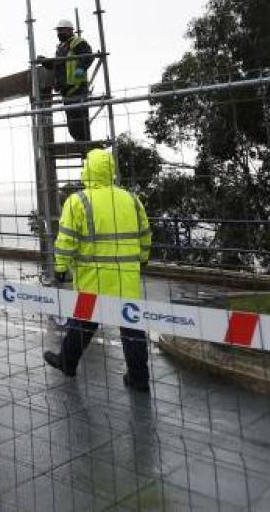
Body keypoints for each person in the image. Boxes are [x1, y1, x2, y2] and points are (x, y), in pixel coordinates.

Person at [44, 148, 153, 393]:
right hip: (126, 279)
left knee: (84, 322)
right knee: (132, 329)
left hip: (93, 278)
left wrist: (60, 268)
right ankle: (139, 378)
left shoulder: (78, 201)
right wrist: (143, 258)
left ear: (87, 169)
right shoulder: (130, 199)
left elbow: (66, 239)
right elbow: (145, 233)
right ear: (111, 170)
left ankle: (67, 362)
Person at [40, 19, 94, 142]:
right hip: (66, 90)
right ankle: (81, 145)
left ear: (70, 30)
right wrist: (46, 62)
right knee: (73, 125)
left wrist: (81, 68)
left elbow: (88, 56)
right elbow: (57, 65)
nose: (59, 33)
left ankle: (85, 147)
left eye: (61, 30)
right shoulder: (61, 48)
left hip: (77, 87)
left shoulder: (78, 42)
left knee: (80, 122)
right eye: (58, 31)